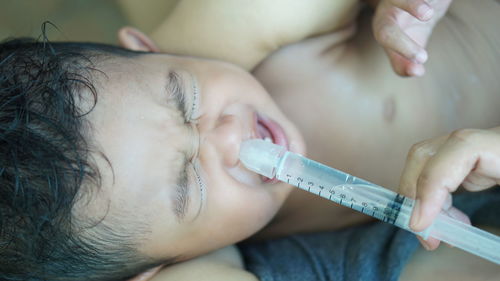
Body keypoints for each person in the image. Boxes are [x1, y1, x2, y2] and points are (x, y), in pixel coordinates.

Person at [0, 1, 498, 281]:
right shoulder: (196, 260)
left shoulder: (240, 29)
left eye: (185, 100)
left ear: (151, 50)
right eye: (187, 182)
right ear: (160, 266)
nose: (227, 136)